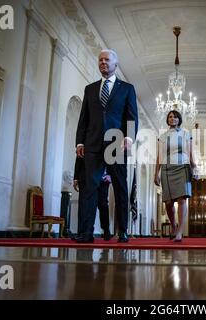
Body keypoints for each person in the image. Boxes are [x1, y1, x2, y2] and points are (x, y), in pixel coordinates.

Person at [75, 49, 138, 243]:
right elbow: (83, 118)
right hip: (92, 144)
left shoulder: (127, 88)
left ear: (115, 65)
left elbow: (132, 116)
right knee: (89, 188)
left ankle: (123, 230)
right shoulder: (90, 89)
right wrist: (79, 141)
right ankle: (86, 232)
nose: (103, 62)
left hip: (116, 144)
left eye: (107, 60)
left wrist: (128, 138)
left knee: (120, 187)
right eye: (100, 60)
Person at [154, 111, 196, 242]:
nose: (173, 119)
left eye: (175, 117)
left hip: (182, 166)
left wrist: (194, 168)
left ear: (179, 119)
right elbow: (160, 156)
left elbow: (190, 152)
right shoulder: (162, 136)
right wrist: (156, 173)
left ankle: (180, 232)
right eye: (170, 117)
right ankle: (174, 226)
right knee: (168, 202)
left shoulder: (185, 133)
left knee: (182, 200)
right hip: (167, 169)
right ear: (168, 120)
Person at [73, 157, 112, 241]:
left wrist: (110, 175)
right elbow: (79, 158)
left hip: (103, 179)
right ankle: (83, 232)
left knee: (103, 204)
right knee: (85, 205)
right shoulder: (83, 144)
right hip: (87, 177)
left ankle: (106, 230)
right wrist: (76, 177)